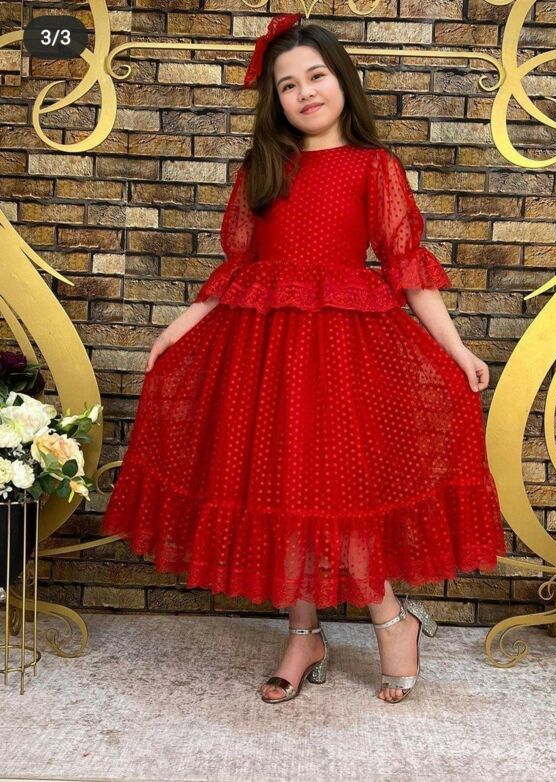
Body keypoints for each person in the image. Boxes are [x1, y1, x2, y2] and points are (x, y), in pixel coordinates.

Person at [100, 13, 507, 706]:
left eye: (316, 76)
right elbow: (238, 268)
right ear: (276, 99)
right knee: (281, 487)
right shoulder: (264, 168)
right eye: (288, 84)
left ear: (342, 80)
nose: (305, 92)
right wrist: (180, 325)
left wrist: (456, 346)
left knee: (340, 488)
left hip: (344, 356)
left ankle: (391, 619)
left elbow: (407, 269)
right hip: (265, 358)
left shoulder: (372, 166)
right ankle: (303, 634)